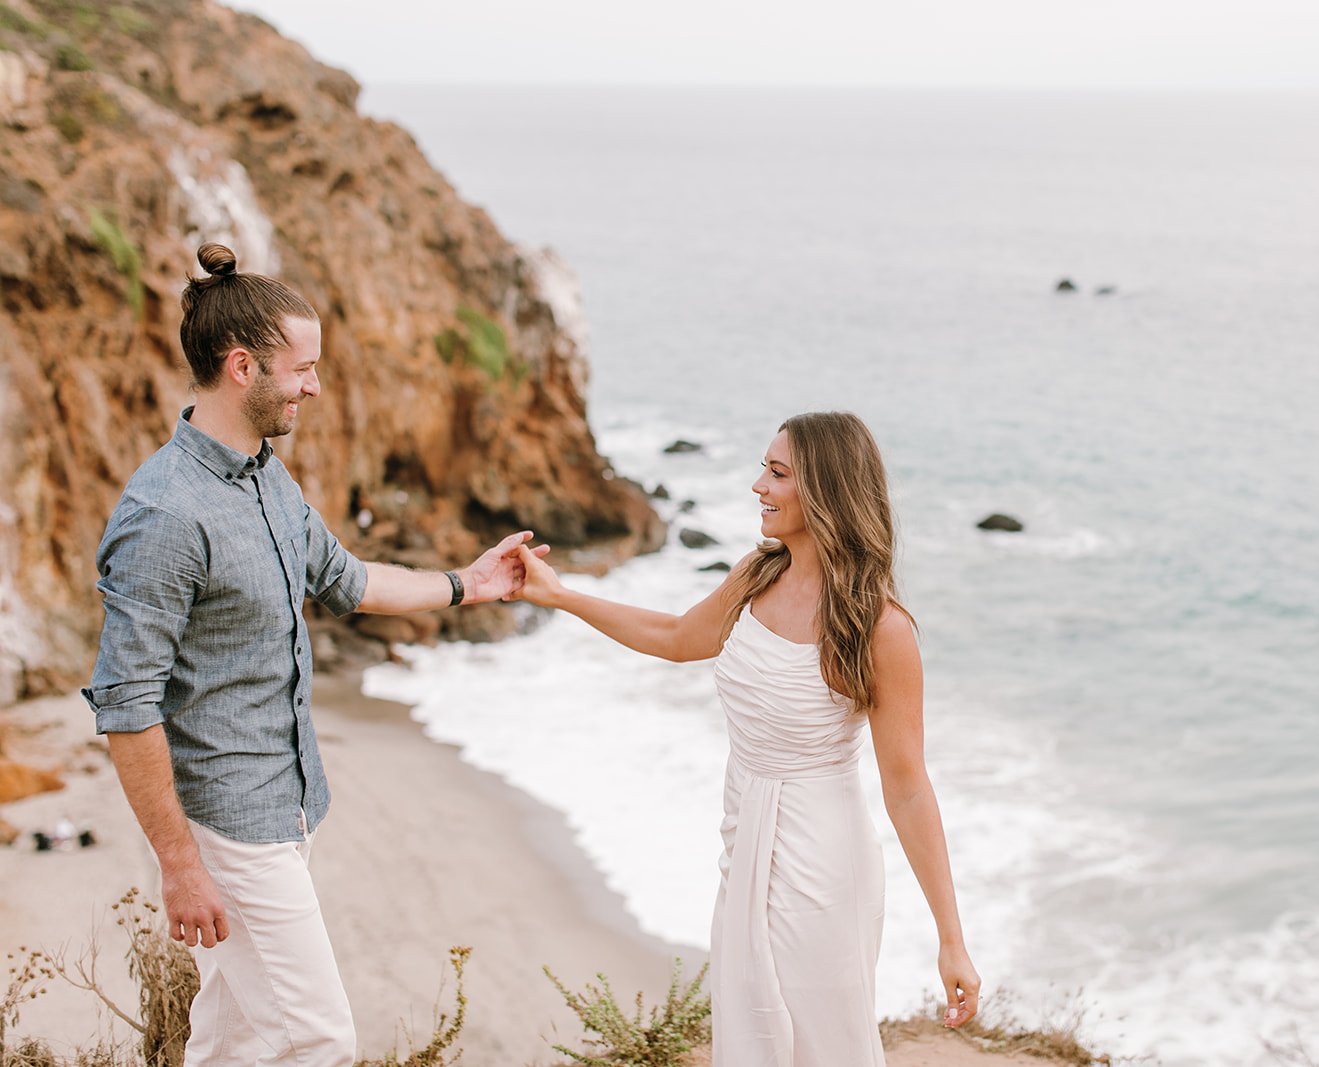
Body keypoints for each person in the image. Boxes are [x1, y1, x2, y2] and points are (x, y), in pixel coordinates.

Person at [82, 243, 540, 1066]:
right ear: (242, 366)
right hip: (227, 824)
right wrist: (180, 865)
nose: (315, 386)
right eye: (304, 368)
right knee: (319, 1037)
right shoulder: (163, 515)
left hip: (288, 804)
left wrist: (467, 583)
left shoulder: (267, 476)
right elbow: (126, 702)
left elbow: (348, 579)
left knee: (235, 1036)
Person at [515, 411, 980, 1066]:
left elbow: (907, 788)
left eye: (778, 472)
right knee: (753, 1039)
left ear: (825, 489)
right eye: (764, 467)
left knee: (825, 1045)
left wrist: (951, 938)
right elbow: (678, 637)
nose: (758, 484)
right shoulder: (758, 573)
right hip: (744, 842)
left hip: (824, 862)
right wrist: (560, 595)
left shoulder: (881, 627)